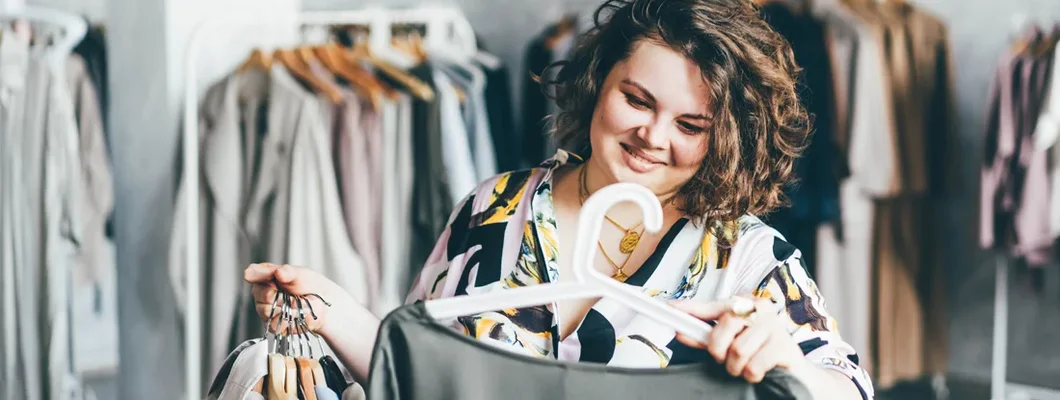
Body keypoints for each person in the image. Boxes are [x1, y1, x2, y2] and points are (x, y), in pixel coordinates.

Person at [245, 0, 874, 398]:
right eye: (637, 100)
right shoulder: (491, 212)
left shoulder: (748, 261)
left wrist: (793, 364)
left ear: (726, 139)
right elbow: (416, 375)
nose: (652, 136)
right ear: (599, 85)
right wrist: (333, 313)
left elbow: (849, 391)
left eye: (690, 125)